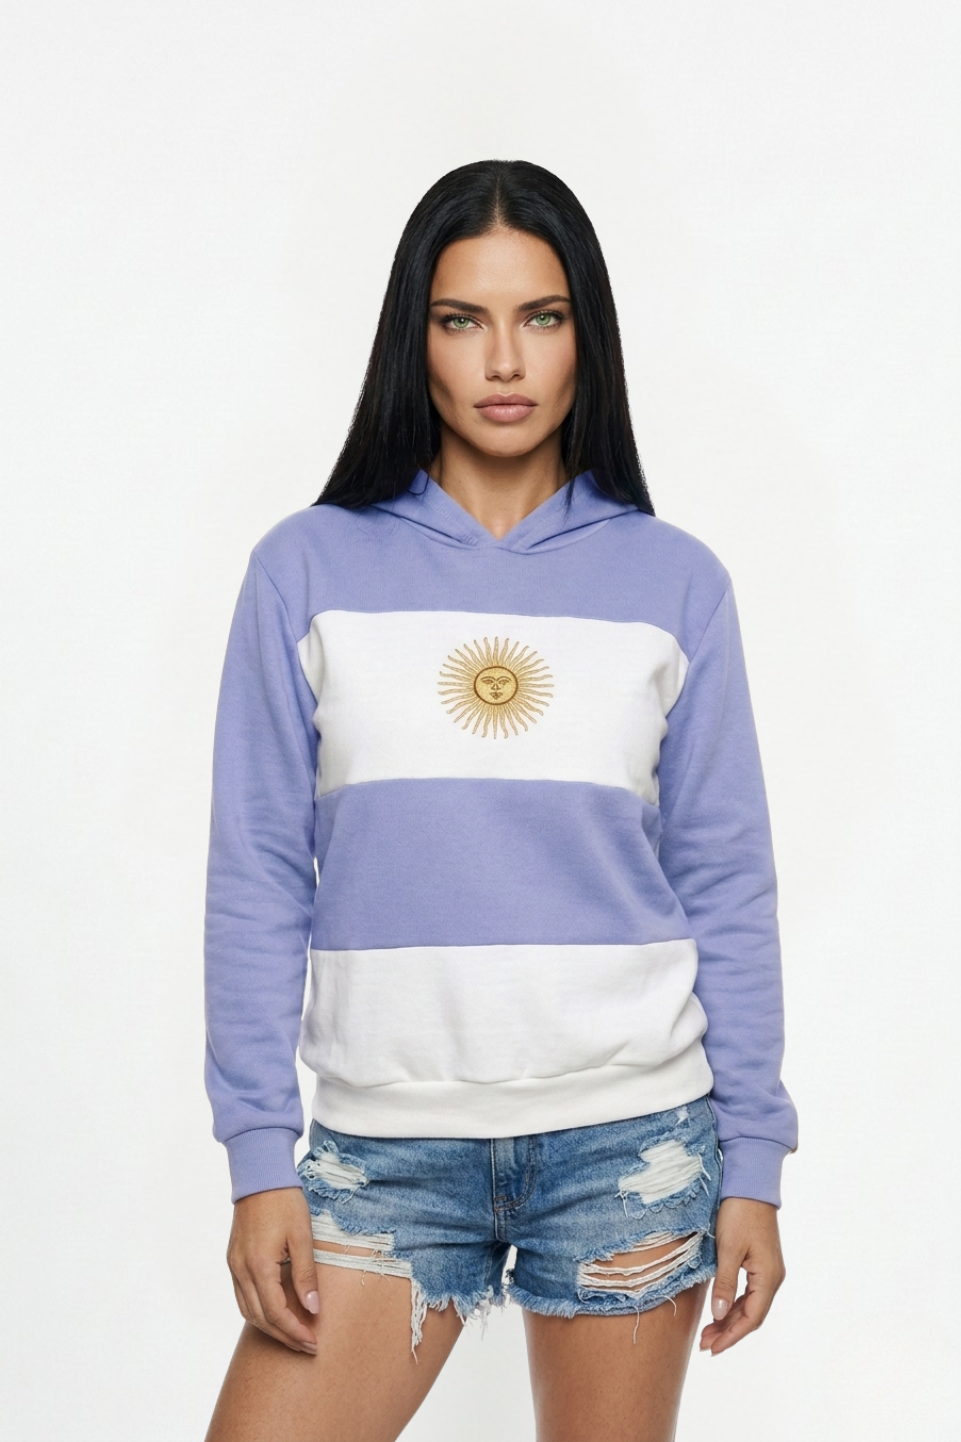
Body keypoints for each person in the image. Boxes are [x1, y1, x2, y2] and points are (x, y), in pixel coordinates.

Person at [202, 159, 797, 1442]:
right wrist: (256, 1151)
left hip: (628, 1142)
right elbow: (258, 870)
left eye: (542, 315)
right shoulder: (304, 569)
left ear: (587, 334)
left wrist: (753, 1158)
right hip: (383, 1153)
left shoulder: (675, 582)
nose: (504, 360)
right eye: (462, 319)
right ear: (412, 338)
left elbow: (724, 878)